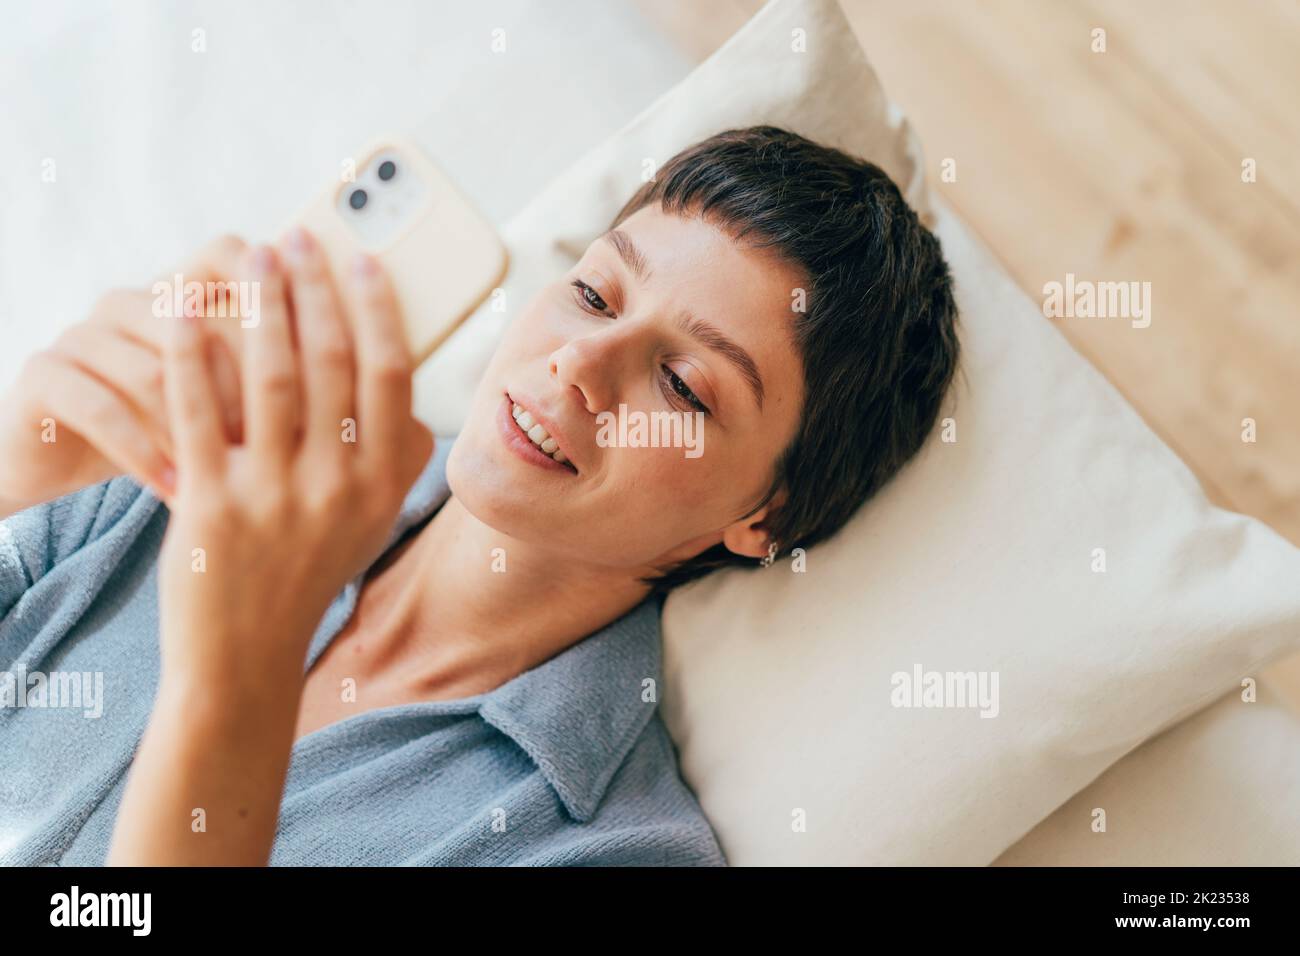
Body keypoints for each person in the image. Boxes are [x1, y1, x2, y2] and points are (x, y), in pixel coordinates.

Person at [0, 126, 960, 866]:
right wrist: (19, 471)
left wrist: (231, 684)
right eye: (595, 295)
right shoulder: (195, 468)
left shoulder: (606, 851)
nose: (579, 362)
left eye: (682, 385)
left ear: (764, 518)